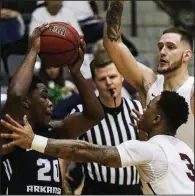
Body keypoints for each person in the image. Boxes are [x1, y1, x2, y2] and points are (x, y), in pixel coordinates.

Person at [1, 91, 194, 195]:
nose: (144, 108)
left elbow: (87, 151)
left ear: (156, 119)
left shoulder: (150, 149)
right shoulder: (184, 150)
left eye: (149, 107)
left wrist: (33, 140)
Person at [0, 23, 104, 195]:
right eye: (43, 96)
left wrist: (76, 73)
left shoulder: (55, 131)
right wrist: (33, 51)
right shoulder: (9, 130)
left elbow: (95, 115)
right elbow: (17, 94)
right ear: (26, 102)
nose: (50, 103)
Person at [103, 0, 194, 151]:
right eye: (160, 47)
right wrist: (116, 3)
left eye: (170, 47)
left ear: (186, 55)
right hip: (150, 173)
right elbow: (112, 45)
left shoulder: (191, 90)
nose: (162, 52)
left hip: (183, 173)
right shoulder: (149, 82)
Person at [69, 51, 143, 195]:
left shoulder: (137, 108)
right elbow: (65, 148)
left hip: (133, 189)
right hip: (97, 189)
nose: (109, 82)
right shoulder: (81, 113)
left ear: (122, 77)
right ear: (94, 82)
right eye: (102, 79)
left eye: (113, 76)